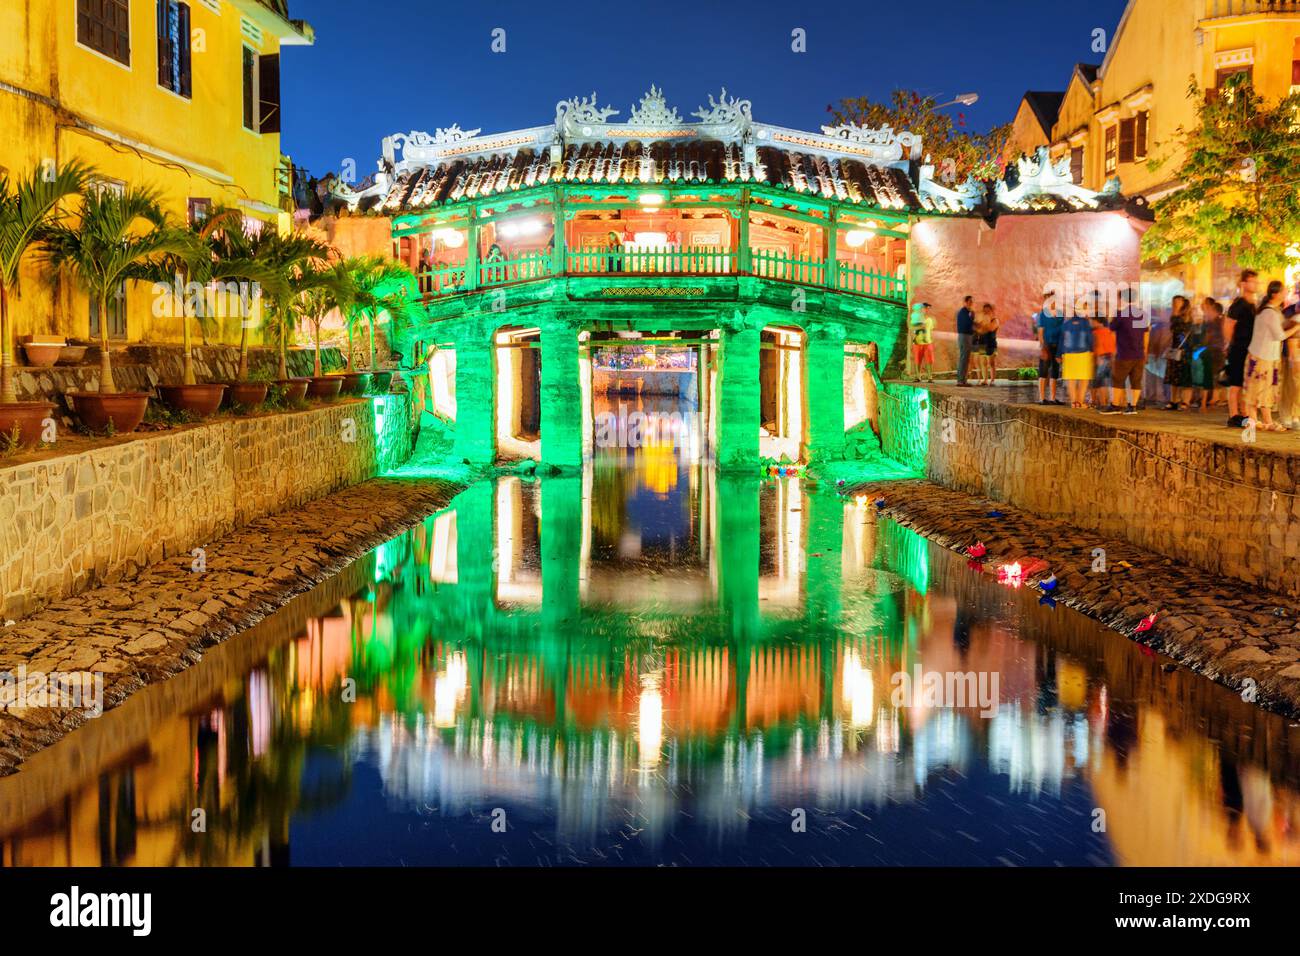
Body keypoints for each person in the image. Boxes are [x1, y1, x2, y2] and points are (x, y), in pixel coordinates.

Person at [1242, 280, 1300, 432]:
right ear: (1275, 294)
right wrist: (1297, 327)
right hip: (1263, 357)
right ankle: (1263, 420)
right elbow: (1279, 335)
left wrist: (1291, 323)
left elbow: (1281, 326)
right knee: (1262, 389)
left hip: (1266, 356)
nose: (1286, 293)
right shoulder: (1269, 312)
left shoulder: (1274, 311)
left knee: (1261, 388)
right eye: (1283, 291)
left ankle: (1256, 419)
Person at [1225, 270, 1260, 428]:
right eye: (1252, 281)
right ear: (1244, 284)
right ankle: (1233, 415)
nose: (1256, 284)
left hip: (1250, 348)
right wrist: (1230, 344)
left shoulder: (1253, 304)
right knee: (1236, 383)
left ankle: (1244, 413)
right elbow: (1228, 325)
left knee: (1245, 382)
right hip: (1239, 347)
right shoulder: (1239, 304)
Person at [1106, 291, 1146, 415]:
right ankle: (1132, 406)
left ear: (1122, 299)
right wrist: (1144, 350)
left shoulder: (1121, 314)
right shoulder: (1142, 314)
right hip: (1139, 353)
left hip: (1124, 353)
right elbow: (1146, 333)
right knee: (1136, 381)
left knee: (1118, 379)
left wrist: (1110, 315)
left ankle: (1115, 406)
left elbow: (1111, 327)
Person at [1059, 304, 1094, 409]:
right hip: (1083, 353)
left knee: (1071, 380)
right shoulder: (1085, 323)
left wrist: (1059, 353)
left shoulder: (1066, 324)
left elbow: (1062, 339)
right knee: (1084, 379)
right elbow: (1089, 338)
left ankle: (1074, 403)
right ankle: (1080, 402)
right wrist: (1092, 351)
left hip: (1069, 354)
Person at [1163, 295, 1195, 410]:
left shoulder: (1187, 317)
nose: (1175, 305)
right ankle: (1174, 400)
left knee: (1185, 377)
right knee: (1174, 376)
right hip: (1176, 349)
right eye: (1174, 302)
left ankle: (1185, 402)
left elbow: (1180, 331)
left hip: (1185, 350)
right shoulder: (1175, 317)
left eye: (1177, 302)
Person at [1034, 291, 1063, 405]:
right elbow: (1040, 332)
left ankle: (1053, 398)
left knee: (1055, 371)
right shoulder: (1043, 314)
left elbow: (1062, 332)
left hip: (1057, 346)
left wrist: (1061, 351)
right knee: (1043, 371)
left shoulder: (1060, 314)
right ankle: (1042, 398)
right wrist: (1042, 347)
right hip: (1046, 346)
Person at [1201, 297, 1227, 412]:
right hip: (1216, 349)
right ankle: (1214, 398)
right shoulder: (1219, 321)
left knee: (1214, 373)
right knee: (1215, 373)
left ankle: (1215, 398)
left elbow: (1208, 336)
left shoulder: (1216, 322)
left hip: (1215, 349)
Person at [1090, 311, 1115, 409]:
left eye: (1093, 321)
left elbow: (1097, 346)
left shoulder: (1096, 332)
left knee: (1098, 382)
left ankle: (1100, 402)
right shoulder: (1109, 331)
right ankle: (1107, 402)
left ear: (1098, 321)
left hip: (1101, 357)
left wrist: (1096, 358)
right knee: (1107, 381)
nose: (1091, 323)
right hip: (1110, 357)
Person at [909, 302, 937, 382]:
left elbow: (931, 330)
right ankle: (918, 377)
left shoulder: (931, 319)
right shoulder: (916, 317)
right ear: (922, 309)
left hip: (928, 342)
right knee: (917, 360)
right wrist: (921, 326)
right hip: (917, 342)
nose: (927, 310)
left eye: (928, 309)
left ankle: (930, 377)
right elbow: (912, 328)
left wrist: (931, 339)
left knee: (929, 360)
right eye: (926, 308)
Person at [975, 303, 1000, 386]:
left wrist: (982, 325)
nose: (986, 312)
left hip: (991, 343)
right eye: (985, 311)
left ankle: (992, 380)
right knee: (983, 362)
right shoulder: (983, 320)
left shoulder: (995, 320)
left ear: (991, 311)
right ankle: (985, 380)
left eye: (988, 310)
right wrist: (981, 326)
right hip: (982, 343)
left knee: (991, 363)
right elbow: (978, 330)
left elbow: (991, 328)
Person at [955, 295, 976, 387]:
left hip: (966, 336)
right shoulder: (963, 312)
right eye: (969, 301)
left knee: (965, 358)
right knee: (964, 358)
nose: (971, 303)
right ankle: (961, 380)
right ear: (966, 302)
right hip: (964, 336)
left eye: (972, 301)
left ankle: (963, 380)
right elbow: (967, 324)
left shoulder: (967, 312)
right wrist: (972, 318)